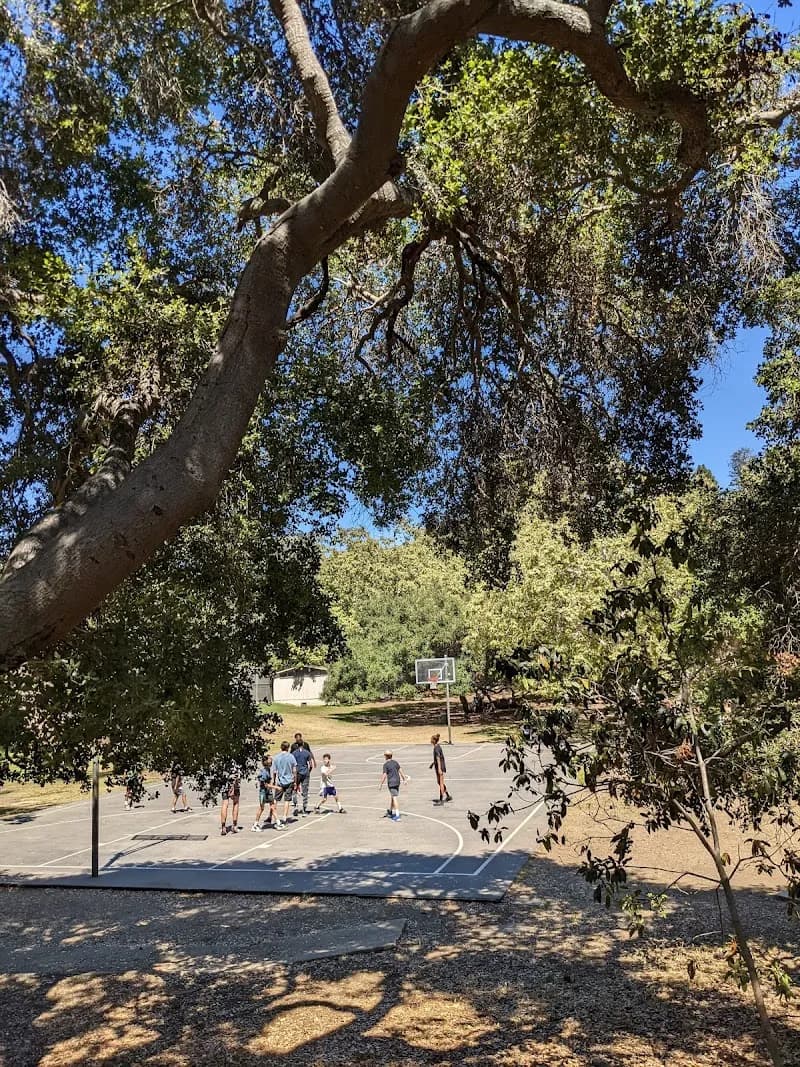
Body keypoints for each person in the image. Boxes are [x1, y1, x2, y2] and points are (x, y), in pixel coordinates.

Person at [271, 740, 297, 829]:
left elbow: (274, 771)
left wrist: (274, 780)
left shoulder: (276, 757)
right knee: (287, 800)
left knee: (275, 799)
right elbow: (294, 770)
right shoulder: (291, 757)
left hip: (280, 781)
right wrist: (295, 781)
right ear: (288, 748)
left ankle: (273, 815)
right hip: (289, 780)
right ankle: (284, 817)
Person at [290, 732, 316, 816]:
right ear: (303, 744)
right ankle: (304, 809)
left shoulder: (294, 753)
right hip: (305, 772)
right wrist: (309, 771)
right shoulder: (307, 753)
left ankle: (296, 806)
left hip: (297, 773)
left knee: (294, 789)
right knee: (305, 791)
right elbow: (310, 765)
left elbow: (292, 763)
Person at [380, 750, 408, 822]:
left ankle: (397, 816)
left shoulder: (385, 765)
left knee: (394, 797)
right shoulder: (395, 762)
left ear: (386, 756)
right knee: (393, 796)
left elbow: (384, 775)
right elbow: (400, 771)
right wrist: (404, 779)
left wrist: (381, 784)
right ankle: (390, 811)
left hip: (391, 782)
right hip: (397, 782)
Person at [251, 754, 275, 831]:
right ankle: (255, 825)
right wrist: (276, 787)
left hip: (267, 791)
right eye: (270, 759)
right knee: (261, 808)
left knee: (272, 805)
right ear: (266, 761)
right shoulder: (264, 771)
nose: (271, 760)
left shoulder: (268, 769)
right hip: (263, 792)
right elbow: (264, 784)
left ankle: (278, 822)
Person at [430, 733, 452, 805]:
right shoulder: (437, 746)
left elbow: (438, 758)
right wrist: (433, 763)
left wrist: (439, 769)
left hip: (440, 767)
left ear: (434, 740)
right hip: (439, 766)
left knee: (441, 783)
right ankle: (448, 796)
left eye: (431, 739)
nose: (430, 741)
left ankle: (441, 800)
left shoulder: (436, 748)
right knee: (439, 782)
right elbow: (437, 758)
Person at [220, 764, 241, 835]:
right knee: (236, 803)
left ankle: (223, 827)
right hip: (234, 785)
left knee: (225, 804)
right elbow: (237, 775)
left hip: (224, 784)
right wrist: (233, 786)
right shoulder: (236, 762)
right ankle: (234, 825)